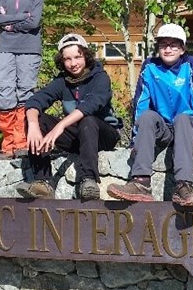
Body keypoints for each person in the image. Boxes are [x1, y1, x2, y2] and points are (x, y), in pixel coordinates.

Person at [108, 23, 193, 207]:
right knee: (148, 116)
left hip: (189, 124)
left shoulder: (191, 65)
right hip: (165, 127)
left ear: (182, 49)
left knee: (182, 118)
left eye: (173, 45)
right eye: (163, 45)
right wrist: (136, 140)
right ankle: (141, 182)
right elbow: (141, 103)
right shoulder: (150, 66)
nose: (167, 49)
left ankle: (184, 185)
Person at [18, 33, 121, 201]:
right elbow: (35, 100)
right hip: (78, 137)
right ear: (62, 61)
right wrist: (34, 126)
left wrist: (60, 126)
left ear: (86, 56)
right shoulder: (62, 81)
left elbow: (90, 106)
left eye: (77, 57)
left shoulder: (100, 77)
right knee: (38, 118)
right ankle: (43, 182)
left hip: (103, 134)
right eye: (67, 59)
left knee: (86, 119)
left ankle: (89, 180)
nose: (73, 64)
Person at [0, 0, 44, 157]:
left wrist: (11, 22)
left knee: (25, 92)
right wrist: (21, 16)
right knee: (4, 92)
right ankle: (8, 145)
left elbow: (34, 22)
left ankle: (23, 143)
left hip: (29, 49)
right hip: (5, 48)